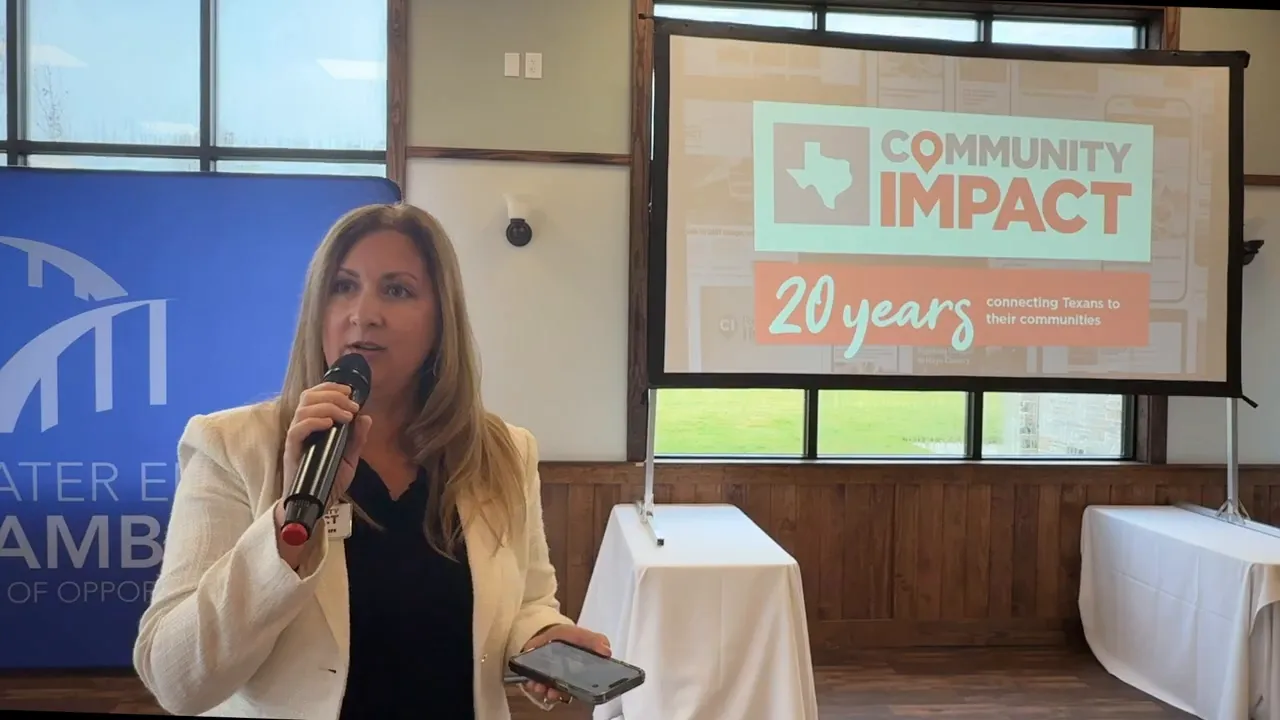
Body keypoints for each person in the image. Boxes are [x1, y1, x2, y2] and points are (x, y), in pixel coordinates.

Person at [132, 203, 610, 719]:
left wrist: (544, 638)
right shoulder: (230, 445)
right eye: (343, 286)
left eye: (397, 290)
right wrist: (289, 523)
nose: (364, 313)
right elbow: (176, 680)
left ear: (440, 321)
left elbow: (529, 602)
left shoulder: (502, 451)